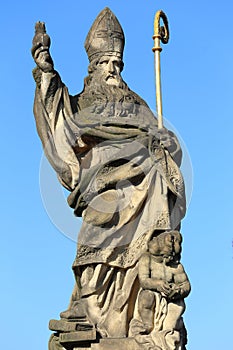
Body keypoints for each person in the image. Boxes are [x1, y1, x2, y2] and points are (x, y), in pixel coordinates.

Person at [32, 8, 186, 338]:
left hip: (142, 187)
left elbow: (161, 139)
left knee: (145, 242)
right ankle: (88, 309)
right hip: (100, 187)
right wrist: (46, 73)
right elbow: (57, 114)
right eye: (106, 63)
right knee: (92, 246)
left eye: (117, 63)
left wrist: (165, 142)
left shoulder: (136, 102)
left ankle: (135, 324)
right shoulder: (84, 102)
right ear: (94, 66)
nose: (113, 69)